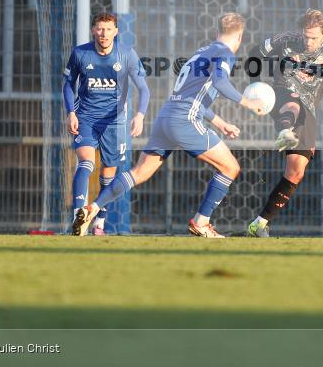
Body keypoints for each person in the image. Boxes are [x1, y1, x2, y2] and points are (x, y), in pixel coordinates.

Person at [72, 14, 266, 238]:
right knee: (230, 167)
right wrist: (248, 102)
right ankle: (201, 222)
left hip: (166, 117)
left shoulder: (202, 52)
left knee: (139, 172)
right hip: (185, 120)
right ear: (240, 36)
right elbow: (221, 83)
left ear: (216, 32)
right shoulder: (225, 53)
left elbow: (191, 95)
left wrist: (220, 123)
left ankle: (91, 209)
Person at [246, 9, 323, 237]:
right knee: (293, 104)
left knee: (296, 171)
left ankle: (259, 223)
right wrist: (255, 87)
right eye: (306, 36)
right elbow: (253, 54)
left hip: (309, 111)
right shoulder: (285, 40)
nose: (308, 41)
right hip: (280, 94)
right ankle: (284, 131)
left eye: (313, 37)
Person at [63, 13, 150, 235]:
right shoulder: (80, 53)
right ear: (93, 30)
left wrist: (140, 115)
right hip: (86, 118)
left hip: (115, 122)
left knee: (108, 174)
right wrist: (71, 113)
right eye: (100, 29)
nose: (103, 34)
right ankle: (78, 218)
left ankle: (99, 222)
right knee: (85, 162)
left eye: (108, 29)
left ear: (116, 32)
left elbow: (144, 89)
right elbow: (68, 85)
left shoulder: (126, 54)